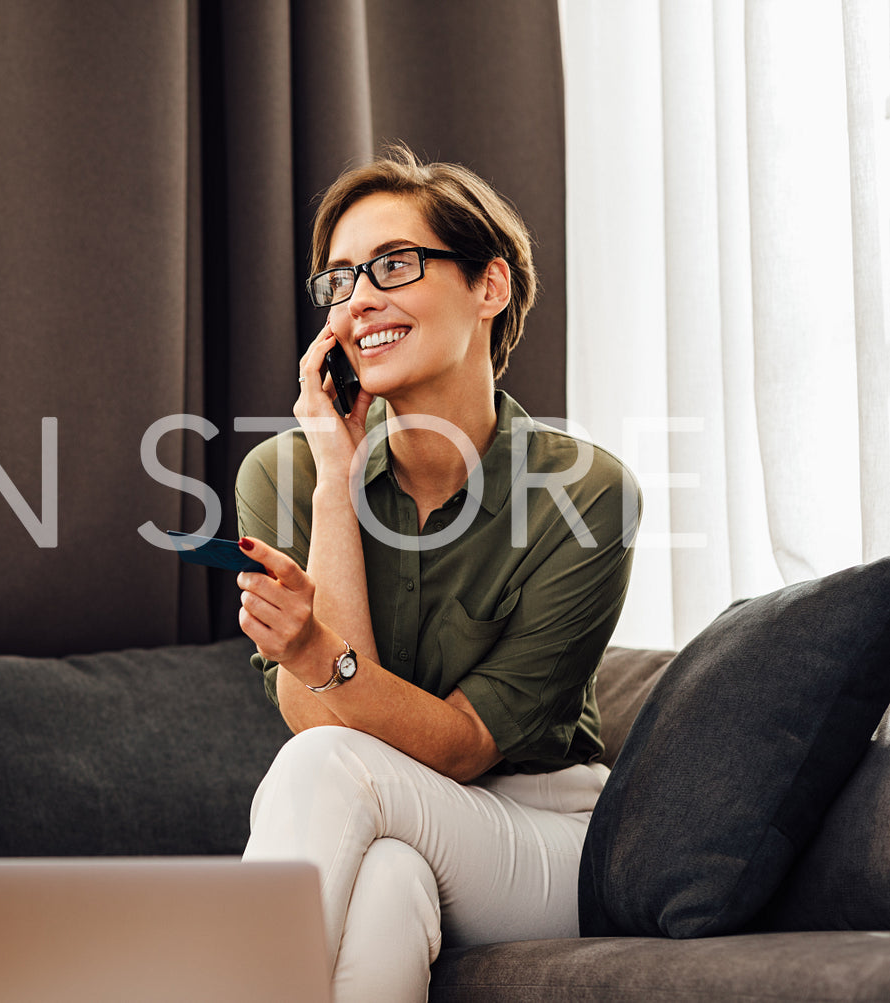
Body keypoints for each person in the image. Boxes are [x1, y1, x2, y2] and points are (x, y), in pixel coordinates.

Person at [233, 144, 638, 1003]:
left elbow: (460, 746)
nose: (360, 299)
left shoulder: (586, 492)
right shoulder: (286, 473)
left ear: (488, 286)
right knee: (383, 889)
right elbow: (314, 720)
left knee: (327, 768)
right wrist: (337, 487)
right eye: (340, 279)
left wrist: (321, 653)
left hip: (539, 832)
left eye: (393, 264)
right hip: (379, 814)